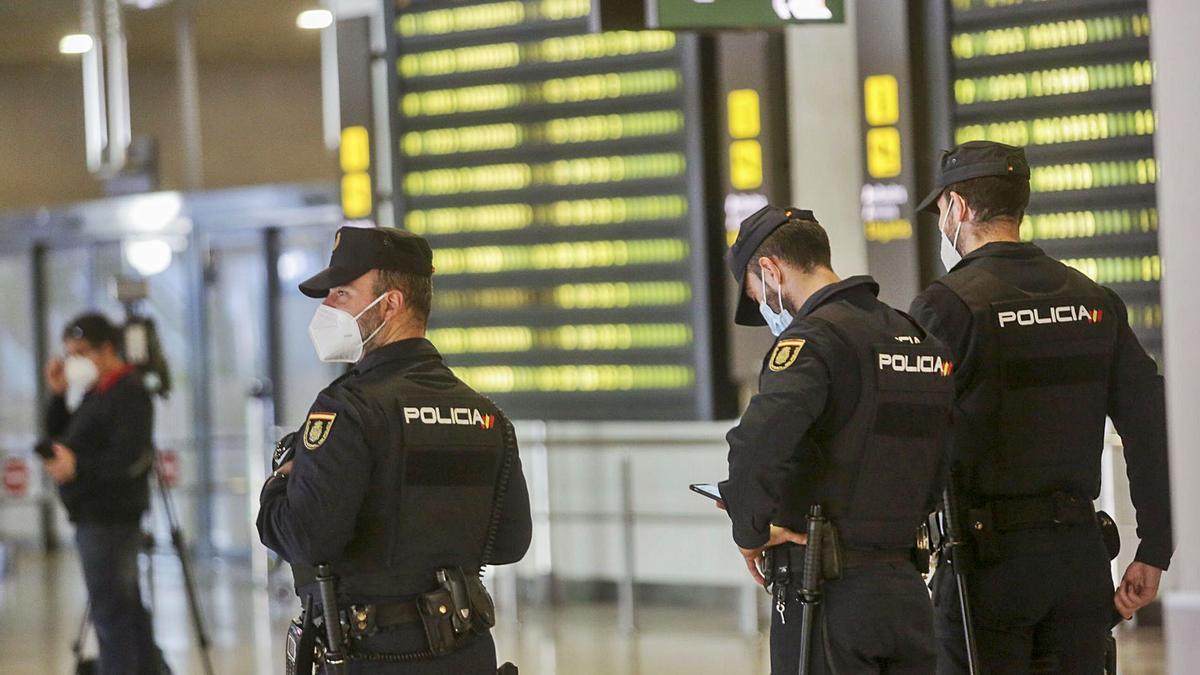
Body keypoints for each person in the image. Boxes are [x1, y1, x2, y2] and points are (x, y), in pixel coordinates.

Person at [909, 140, 1174, 673]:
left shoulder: (946, 306)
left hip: (985, 567)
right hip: (1079, 561)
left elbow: (913, 437)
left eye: (941, 211)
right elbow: (1151, 424)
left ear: (957, 207)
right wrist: (1155, 547)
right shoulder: (1096, 301)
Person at [257, 226, 532, 674]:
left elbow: (308, 539)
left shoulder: (348, 409)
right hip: (465, 651)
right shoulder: (485, 415)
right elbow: (509, 543)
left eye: (341, 294)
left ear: (390, 304)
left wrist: (277, 487)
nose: (326, 308)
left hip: (373, 655)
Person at [718, 206, 955, 674]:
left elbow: (755, 447)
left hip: (827, 588)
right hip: (910, 590)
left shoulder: (813, 342)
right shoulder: (920, 339)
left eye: (760, 297)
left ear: (770, 269)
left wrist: (749, 530)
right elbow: (944, 456)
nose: (769, 311)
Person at [43, 313, 167, 675]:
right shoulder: (96, 393)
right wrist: (57, 396)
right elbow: (61, 438)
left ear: (106, 349)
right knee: (125, 611)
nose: (73, 361)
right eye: (69, 354)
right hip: (92, 517)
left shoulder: (128, 392)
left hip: (111, 520)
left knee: (112, 615)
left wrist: (78, 468)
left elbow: (129, 459)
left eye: (80, 352)